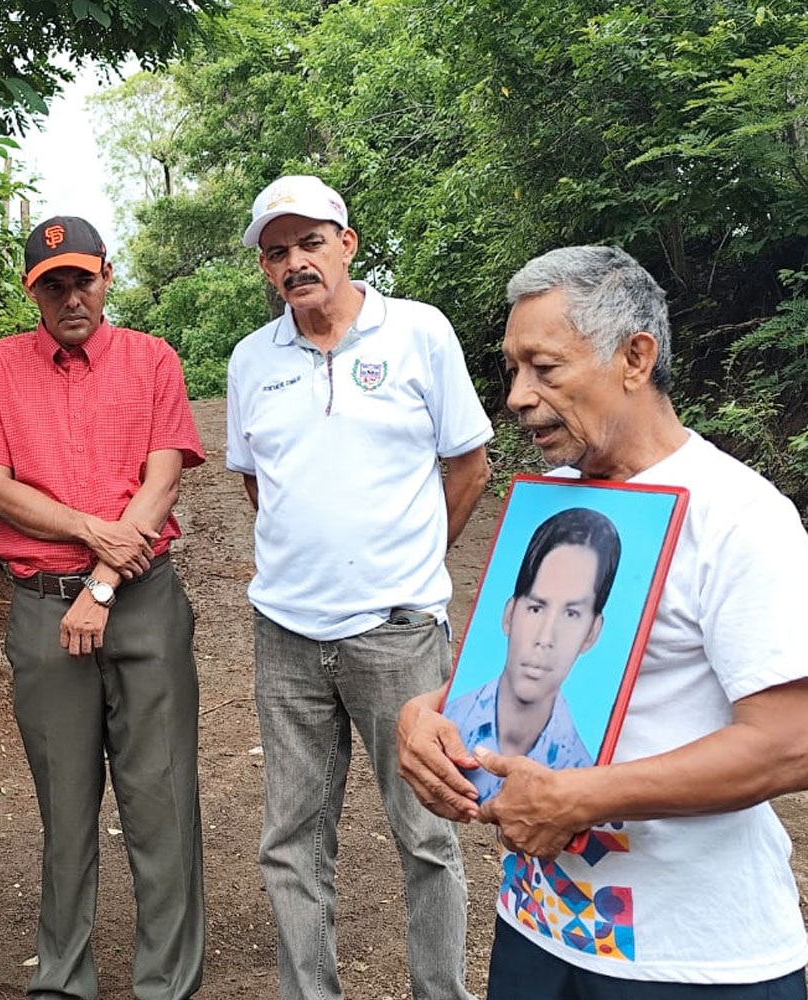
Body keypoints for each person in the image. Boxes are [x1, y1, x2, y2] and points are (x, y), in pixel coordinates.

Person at [398, 246, 808, 997]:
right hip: (538, 927)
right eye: (513, 369)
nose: (518, 396)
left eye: (545, 368)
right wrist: (422, 718)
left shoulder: (741, 516)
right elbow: (495, 677)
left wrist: (585, 798)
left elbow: (790, 743)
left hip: (690, 961)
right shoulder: (548, 500)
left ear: (635, 357)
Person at [226, 175, 491, 1000]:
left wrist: (409, 561)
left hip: (399, 631)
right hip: (287, 637)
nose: (295, 263)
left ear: (347, 243)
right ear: (266, 270)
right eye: (277, 252)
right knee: (292, 841)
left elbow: (470, 465)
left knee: (428, 834)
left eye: (310, 243)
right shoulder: (251, 360)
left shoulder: (418, 332)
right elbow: (258, 482)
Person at [0, 216, 206, 1000]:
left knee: (161, 799)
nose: (70, 297)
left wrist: (100, 582)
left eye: (81, 279)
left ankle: (167, 982)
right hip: (40, 609)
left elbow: (162, 482)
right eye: (51, 284)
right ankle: (63, 980)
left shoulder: (152, 359)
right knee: (65, 806)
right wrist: (93, 532)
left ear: (107, 276)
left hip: (143, 603)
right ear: (32, 291)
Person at [443, 507, 621, 800]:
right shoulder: (450, 722)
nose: (545, 638)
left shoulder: (580, 771)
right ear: (510, 613)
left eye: (571, 613)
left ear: (592, 633)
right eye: (536, 608)